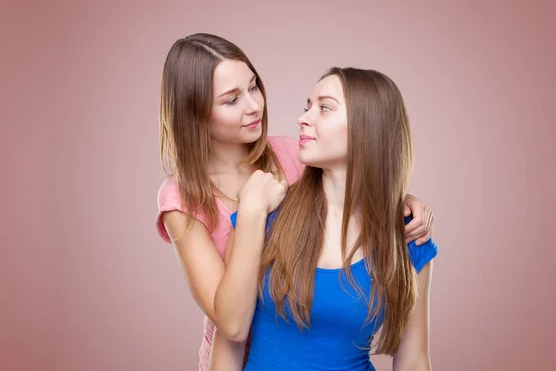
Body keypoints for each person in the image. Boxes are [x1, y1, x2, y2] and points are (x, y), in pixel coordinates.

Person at [156, 33, 435, 371]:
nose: (254, 105)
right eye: (231, 100)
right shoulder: (181, 200)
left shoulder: (295, 154)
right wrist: (253, 213)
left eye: (254, 87)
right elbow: (230, 327)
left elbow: (355, 177)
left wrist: (402, 203)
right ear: (195, 114)